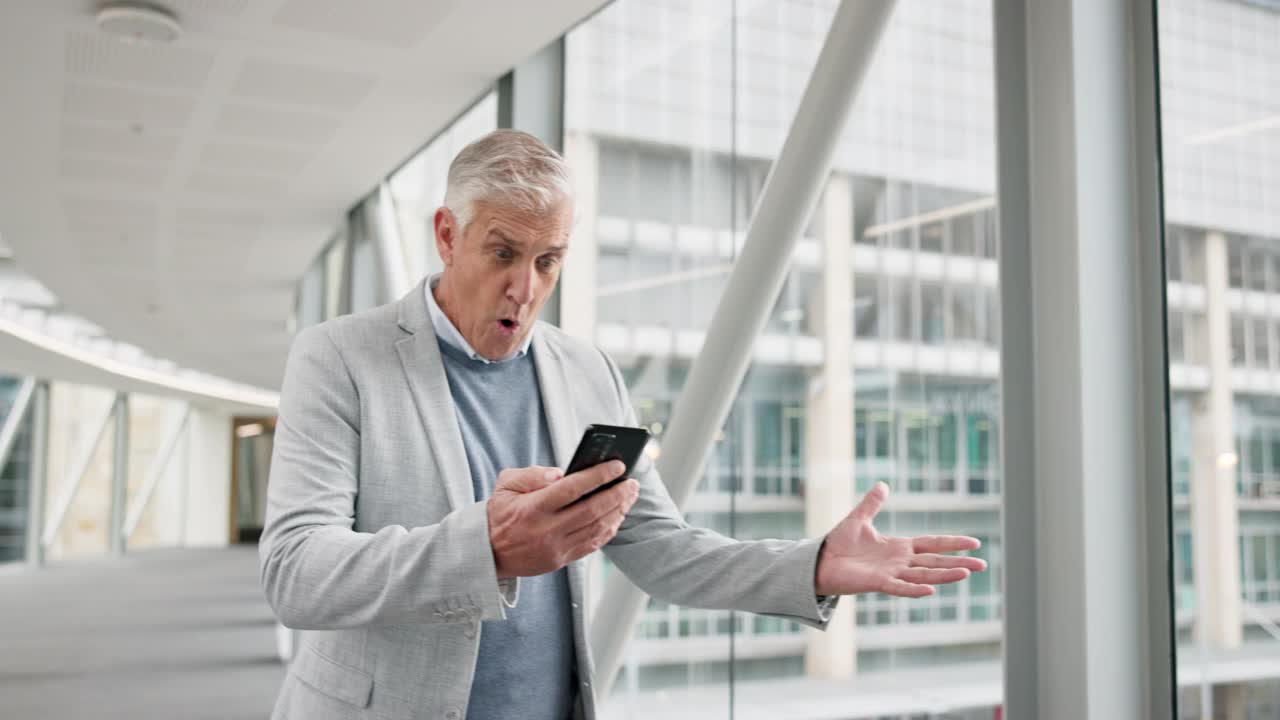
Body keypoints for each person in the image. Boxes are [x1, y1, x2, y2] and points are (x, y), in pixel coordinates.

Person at [259, 129, 987, 720]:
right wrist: (489, 546)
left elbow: (661, 547)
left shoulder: (587, 372)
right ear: (448, 234)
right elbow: (296, 571)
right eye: (503, 253)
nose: (526, 288)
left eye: (550, 261)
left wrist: (811, 567)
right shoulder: (339, 358)